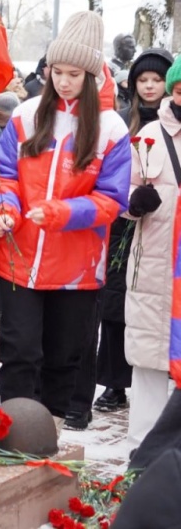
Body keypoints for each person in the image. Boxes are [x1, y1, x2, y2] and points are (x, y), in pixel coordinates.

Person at [0, 11, 131, 432]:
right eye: (57, 71)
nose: (64, 81)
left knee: (62, 356)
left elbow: (112, 200)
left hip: (77, 269)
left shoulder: (110, 128)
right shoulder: (26, 115)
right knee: (17, 352)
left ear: (91, 76)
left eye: (74, 73)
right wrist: (6, 211)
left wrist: (61, 213)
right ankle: (11, 432)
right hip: (19, 258)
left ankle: (44, 434)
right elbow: (5, 174)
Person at [91, 48, 174, 419]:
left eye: (158, 79)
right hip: (124, 224)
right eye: (144, 79)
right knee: (117, 304)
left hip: (164, 231)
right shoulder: (125, 122)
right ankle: (114, 382)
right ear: (134, 84)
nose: (151, 86)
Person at [122, 54, 181, 451]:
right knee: (149, 358)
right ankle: (142, 451)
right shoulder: (148, 137)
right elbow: (120, 197)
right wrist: (135, 202)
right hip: (155, 267)